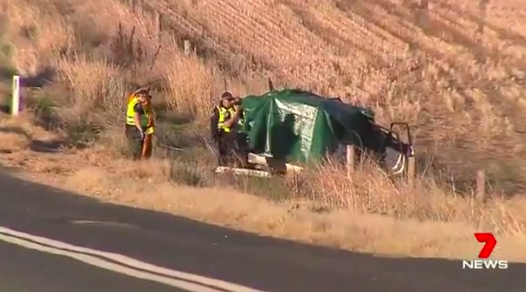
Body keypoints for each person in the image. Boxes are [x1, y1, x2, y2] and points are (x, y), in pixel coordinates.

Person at [125, 87, 155, 160]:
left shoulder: (132, 100)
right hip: (135, 128)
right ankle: (138, 164)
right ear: (139, 97)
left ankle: (136, 161)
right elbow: (136, 118)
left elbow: (134, 94)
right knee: (138, 149)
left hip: (130, 127)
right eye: (145, 97)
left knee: (134, 147)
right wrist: (140, 130)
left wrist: (143, 90)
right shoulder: (138, 106)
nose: (147, 99)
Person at [210, 92, 237, 166]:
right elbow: (213, 124)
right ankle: (222, 166)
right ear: (223, 100)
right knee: (222, 154)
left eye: (231, 100)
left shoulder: (233, 110)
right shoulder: (218, 110)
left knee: (232, 153)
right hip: (221, 135)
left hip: (231, 135)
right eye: (228, 100)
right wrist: (215, 137)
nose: (229, 102)